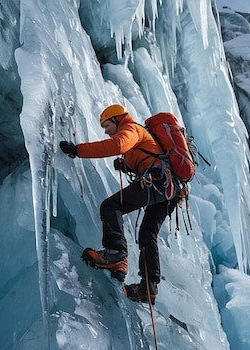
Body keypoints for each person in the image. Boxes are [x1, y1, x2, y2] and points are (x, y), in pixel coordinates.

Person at [59, 104, 179, 304]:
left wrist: (77, 150)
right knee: (148, 233)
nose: (105, 131)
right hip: (171, 189)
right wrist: (125, 165)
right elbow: (147, 155)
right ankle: (148, 286)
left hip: (158, 182)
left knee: (111, 206)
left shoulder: (131, 128)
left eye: (106, 125)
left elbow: (118, 145)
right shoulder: (138, 135)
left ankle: (115, 255)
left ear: (117, 119)